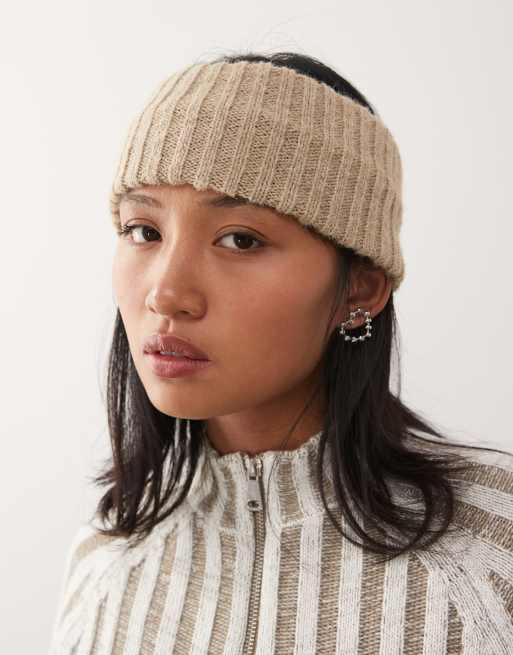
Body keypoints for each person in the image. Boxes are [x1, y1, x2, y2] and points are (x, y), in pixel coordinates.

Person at [48, 51, 513, 654]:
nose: (166, 293)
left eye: (241, 239)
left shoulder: (490, 553)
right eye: (144, 231)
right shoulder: (106, 562)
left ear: (359, 288)